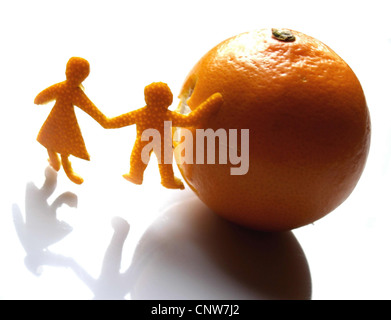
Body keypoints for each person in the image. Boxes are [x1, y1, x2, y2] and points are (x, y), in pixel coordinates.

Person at [105, 82, 223, 189]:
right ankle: (163, 179)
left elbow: (117, 121)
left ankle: (136, 174)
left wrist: (105, 121)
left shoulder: (140, 114)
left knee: (139, 158)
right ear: (167, 99)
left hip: (144, 141)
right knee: (164, 164)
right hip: (162, 144)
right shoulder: (168, 116)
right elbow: (190, 120)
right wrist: (212, 102)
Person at [34, 57, 109, 184]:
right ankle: (58, 164)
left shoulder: (72, 92)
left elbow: (90, 108)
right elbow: (92, 109)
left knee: (56, 144)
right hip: (60, 122)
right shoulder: (68, 90)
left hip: (60, 121)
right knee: (53, 143)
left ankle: (64, 169)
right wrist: (104, 121)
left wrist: (104, 121)